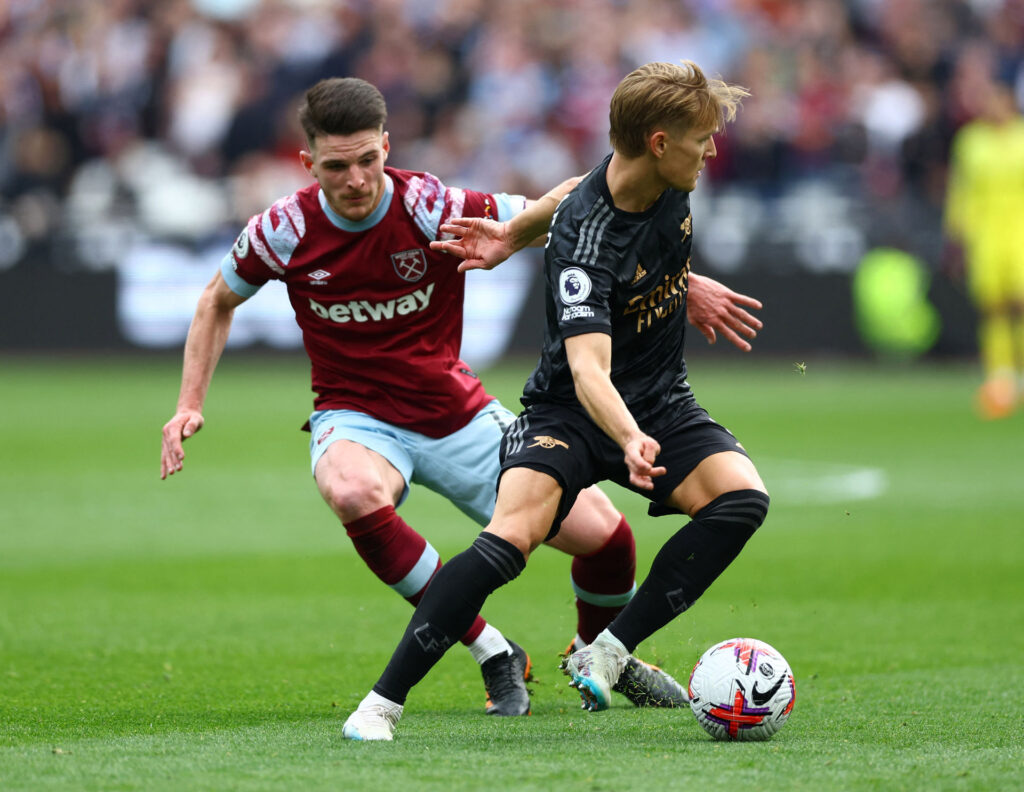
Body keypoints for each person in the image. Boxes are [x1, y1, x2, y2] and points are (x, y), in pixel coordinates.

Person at [159, 77, 766, 720]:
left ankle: (602, 655)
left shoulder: (428, 206)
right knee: (353, 491)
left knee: (609, 540)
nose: (358, 179)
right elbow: (215, 300)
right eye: (337, 166)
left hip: (457, 410)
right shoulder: (282, 229)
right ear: (309, 164)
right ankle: (491, 648)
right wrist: (188, 402)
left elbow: (570, 214)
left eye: (369, 160)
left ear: (386, 147)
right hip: (355, 415)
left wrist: (677, 280)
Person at [342, 61, 770, 741]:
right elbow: (588, 369)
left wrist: (514, 233)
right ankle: (379, 706)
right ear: (659, 142)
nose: (711, 151)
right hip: (571, 410)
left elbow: (575, 187)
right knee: (509, 540)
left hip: (660, 398)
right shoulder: (584, 243)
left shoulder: (656, 176)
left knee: (742, 500)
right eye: (701, 138)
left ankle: (607, 649)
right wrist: (629, 438)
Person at [944, 77, 1024, 419]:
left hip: (1019, 230)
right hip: (986, 234)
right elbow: (961, 190)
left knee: (1020, 303)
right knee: (992, 306)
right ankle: (1001, 375)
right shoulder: (971, 140)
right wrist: (956, 236)